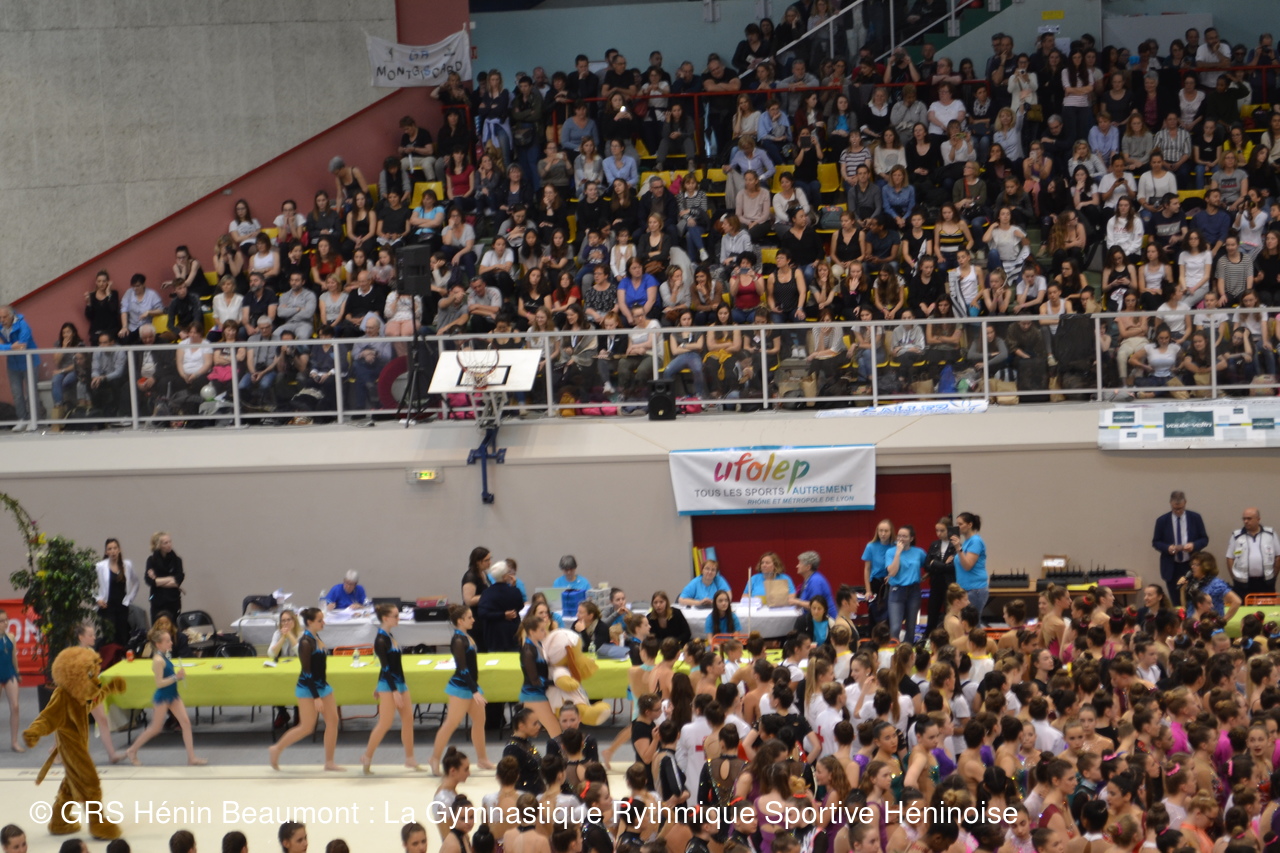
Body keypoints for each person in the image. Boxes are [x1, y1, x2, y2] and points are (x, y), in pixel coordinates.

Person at [268, 608, 342, 772]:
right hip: (308, 688)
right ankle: (277, 748)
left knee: (333, 721)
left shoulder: (315, 637)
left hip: (322, 686)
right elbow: (307, 672)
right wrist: (316, 697)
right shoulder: (306, 643)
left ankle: (329, 762)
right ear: (309, 622)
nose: (323, 623)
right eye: (320, 621)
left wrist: (321, 691)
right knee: (307, 727)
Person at [123, 627, 206, 767]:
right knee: (155, 728)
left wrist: (177, 676)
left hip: (173, 694)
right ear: (158, 644)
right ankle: (132, 750)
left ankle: (191, 758)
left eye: (170, 640)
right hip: (163, 697)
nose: (171, 643)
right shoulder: (157, 660)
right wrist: (176, 677)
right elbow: (159, 683)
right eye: (167, 641)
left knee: (186, 723)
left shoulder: (165, 656)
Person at [429, 604, 491, 775]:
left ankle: (482, 759)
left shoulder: (466, 636)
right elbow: (462, 669)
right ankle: (434, 758)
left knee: (479, 722)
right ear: (460, 621)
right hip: (461, 688)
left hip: (471, 686)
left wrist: (474, 689)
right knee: (451, 724)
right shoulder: (457, 640)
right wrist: (474, 691)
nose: (473, 620)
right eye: (469, 617)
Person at [359, 604, 419, 774]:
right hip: (390, 685)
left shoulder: (390, 636)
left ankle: (410, 758)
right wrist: (392, 691)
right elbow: (385, 667)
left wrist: (387, 686)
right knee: (385, 723)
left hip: (398, 683)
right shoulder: (380, 640)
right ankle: (367, 756)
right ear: (385, 618)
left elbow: (391, 664)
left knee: (408, 719)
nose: (398, 619)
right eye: (395, 616)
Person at [1152, 490, 1209, 605]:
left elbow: (1204, 539)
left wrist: (1193, 545)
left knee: (1194, 600)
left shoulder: (1195, 518)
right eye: (1175, 509)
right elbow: (1156, 542)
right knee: (1176, 602)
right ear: (1170, 503)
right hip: (1172, 567)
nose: (1178, 511)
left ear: (1185, 503)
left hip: (1191, 565)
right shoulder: (1162, 521)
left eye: (1181, 508)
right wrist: (1167, 548)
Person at [1225, 508, 1280, 599]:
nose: (1246, 521)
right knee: (1242, 606)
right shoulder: (1237, 536)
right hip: (1242, 582)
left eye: (1249, 518)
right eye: (1244, 519)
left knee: (1266, 607)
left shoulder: (1270, 534)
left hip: (1266, 582)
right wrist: (1234, 577)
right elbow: (1230, 557)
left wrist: (1274, 576)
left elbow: (1278, 556)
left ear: (1258, 519)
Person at [95, 538, 139, 648]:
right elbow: (89, 584)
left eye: (115, 548)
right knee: (110, 638)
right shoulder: (100, 566)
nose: (113, 551)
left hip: (122, 606)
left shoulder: (127, 565)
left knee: (122, 636)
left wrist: (130, 598)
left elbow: (136, 582)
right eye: (110, 549)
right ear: (106, 552)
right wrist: (97, 599)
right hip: (107, 607)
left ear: (119, 550)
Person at [886, 525, 927, 643]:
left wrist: (924, 577)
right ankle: (893, 649)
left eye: (904, 536)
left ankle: (908, 650)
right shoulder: (890, 552)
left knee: (911, 626)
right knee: (895, 627)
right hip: (897, 591)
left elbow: (929, 566)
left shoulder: (919, 552)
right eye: (899, 536)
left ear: (911, 538)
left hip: (914, 591)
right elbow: (892, 572)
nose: (901, 539)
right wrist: (898, 553)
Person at [0, 305, 38, 425]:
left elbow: (22, 346)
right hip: (13, 365)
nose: (2, 320)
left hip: (29, 362)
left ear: (11, 316)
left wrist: (6, 347)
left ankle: (34, 420)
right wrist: (11, 347)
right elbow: (10, 347)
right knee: (17, 394)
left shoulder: (23, 325)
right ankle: (22, 420)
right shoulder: (1, 327)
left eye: (4, 317)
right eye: (0, 318)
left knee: (31, 393)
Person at [953, 511, 988, 622]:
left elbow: (968, 565)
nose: (957, 527)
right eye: (957, 524)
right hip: (965, 588)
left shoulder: (975, 541)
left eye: (960, 524)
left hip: (974, 589)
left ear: (969, 525)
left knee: (972, 624)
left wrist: (958, 549)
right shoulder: (967, 542)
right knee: (966, 623)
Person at [144, 531, 183, 624]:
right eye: (165, 543)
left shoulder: (177, 560)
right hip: (158, 601)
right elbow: (150, 581)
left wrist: (158, 580)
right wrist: (170, 578)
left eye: (170, 542)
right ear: (159, 545)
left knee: (174, 627)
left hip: (173, 601)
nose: (169, 545)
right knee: (158, 627)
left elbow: (178, 581)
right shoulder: (151, 560)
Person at [862, 520, 895, 624]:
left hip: (891, 583)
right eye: (881, 531)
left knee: (890, 616)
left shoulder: (895, 547)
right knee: (874, 616)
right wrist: (868, 590)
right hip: (875, 583)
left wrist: (891, 576)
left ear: (891, 532)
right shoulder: (870, 546)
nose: (883, 534)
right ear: (877, 532)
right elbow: (867, 569)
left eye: (886, 531)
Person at [0, 610, 20, 753]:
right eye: (1, 621)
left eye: (6, 620)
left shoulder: (11, 637)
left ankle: (14, 742)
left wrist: (17, 673)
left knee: (15, 706)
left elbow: (14, 657)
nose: (5, 623)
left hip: (10, 673)